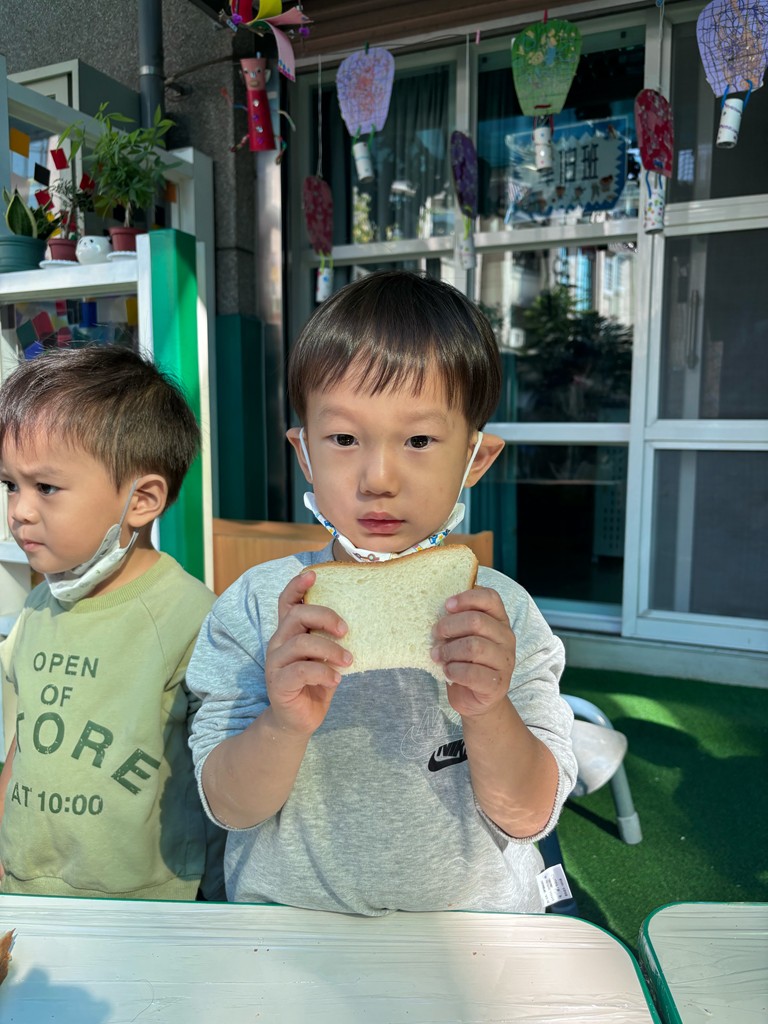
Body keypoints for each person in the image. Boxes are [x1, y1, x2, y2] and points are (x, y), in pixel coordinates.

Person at [188, 270, 577, 915]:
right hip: (291, 929)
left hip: (474, 940)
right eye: (344, 439)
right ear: (305, 453)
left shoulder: (503, 616)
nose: (378, 477)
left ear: (475, 458)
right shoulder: (258, 606)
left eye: (419, 440)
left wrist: (488, 710)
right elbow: (227, 806)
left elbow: (530, 815)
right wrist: (284, 723)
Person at [0, 345, 224, 900]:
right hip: (26, 892)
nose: (20, 510)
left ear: (141, 499)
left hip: (141, 906)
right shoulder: (38, 605)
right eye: (10, 485)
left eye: (45, 487)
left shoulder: (191, 617)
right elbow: (23, 740)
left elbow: (220, 774)